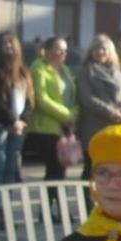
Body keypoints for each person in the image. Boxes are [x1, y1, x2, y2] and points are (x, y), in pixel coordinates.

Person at [0, 32, 35, 214]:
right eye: (4, 43)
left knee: (11, 169)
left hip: (18, 127)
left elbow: (29, 101)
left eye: (11, 43)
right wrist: (11, 120)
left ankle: (7, 209)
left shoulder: (22, 71)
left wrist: (22, 121)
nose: (8, 46)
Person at [27, 37, 80, 217]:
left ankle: (57, 209)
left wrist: (73, 113)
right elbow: (42, 99)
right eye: (58, 49)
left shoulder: (65, 71)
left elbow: (73, 96)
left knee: (61, 171)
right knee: (53, 169)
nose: (62, 53)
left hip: (65, 127)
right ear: (47, 50)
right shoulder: (39, 68)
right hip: (47, 127)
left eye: (64, 50)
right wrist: (65, 114)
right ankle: (48, 209)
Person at [76, 34, 121, 182]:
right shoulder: (85, 71)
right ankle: (88, 201)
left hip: (118, 125)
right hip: (94, 127)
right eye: (96, 48)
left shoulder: (119, 71)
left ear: (110, 51)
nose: (100, 52)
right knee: (92, 168)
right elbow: (86, 98)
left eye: (103, 48)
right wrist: (110, 111)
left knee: (113, 167)